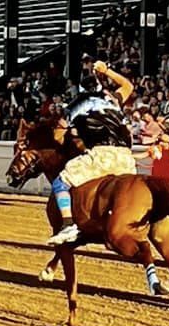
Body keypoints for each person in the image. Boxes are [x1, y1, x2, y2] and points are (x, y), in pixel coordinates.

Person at [46, 60, 137, 247]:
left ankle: (69, 224)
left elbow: (57, 136)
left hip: (101, 156)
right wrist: (107, 70)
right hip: (127, 159)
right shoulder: (113, 99)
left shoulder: (78, 103)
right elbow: (128, 85)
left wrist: (71, 136)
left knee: (60, 182)